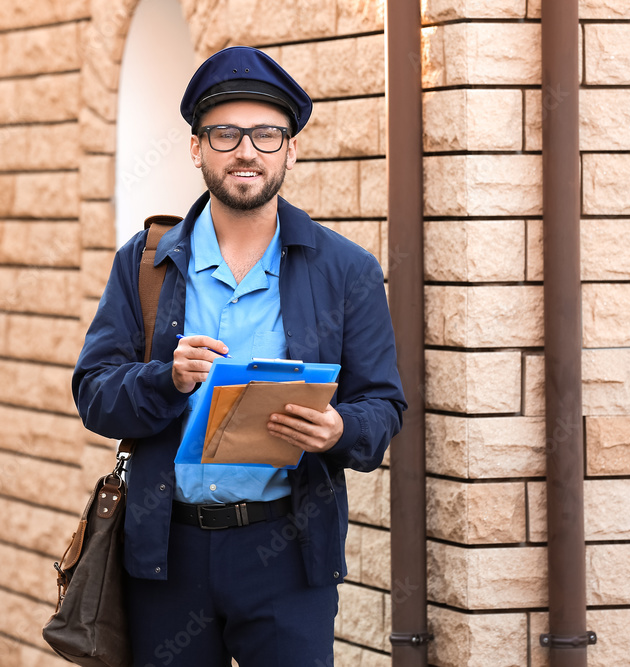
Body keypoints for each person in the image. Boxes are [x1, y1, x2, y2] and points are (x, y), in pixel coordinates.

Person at [72, 46, 406, 667]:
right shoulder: (145, 263)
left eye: (266, 134)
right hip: (164, 554)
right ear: (197, 148)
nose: (246, 150)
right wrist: (165, 379)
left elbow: (383, 408)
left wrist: (339, 429)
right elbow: (93, 392)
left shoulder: (346, 270)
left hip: (286, 552)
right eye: (225, 133)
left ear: (291, 150)